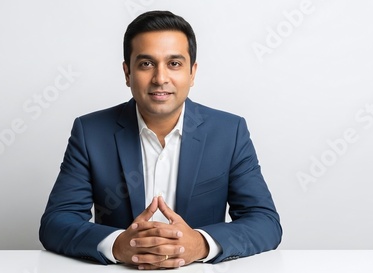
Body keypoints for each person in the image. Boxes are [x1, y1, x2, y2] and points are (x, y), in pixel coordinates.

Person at [39, 10, 282, 270]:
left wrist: (200, 244)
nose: (160, 78)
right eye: (146, 64)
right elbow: (56, 222)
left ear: (192, 73)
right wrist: (117, 244)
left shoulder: (229, 132)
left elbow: (264, 221)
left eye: (174, 64)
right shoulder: (90, 132)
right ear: (127, 73)